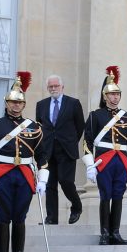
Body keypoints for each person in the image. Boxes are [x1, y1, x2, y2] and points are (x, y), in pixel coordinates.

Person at [0, 72, 48, 252]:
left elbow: (42, 155)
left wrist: (43, 179)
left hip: (25, 175)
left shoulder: (34, 127)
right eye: (12, 102)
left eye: (19, 102)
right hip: (2, 174)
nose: (16, 105)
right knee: (3, 217)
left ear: (24, 105)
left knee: (20, 217)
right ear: (6, 103)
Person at [83, 67, 127, 245]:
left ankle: (115, 232)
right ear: (105, 96)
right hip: (103, 160)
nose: (115, 97)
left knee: (118, 196)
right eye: (111, 94)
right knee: (105, 196)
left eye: (117, 94)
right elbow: (87, 142)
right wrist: (90, 165)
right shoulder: (95, 115)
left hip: (121, 160)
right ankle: (104, 232)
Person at [36, 75, 84, 225]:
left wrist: (70, 141)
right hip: (47, 150)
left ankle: (76, 206)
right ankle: (51, 218)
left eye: (56, 86)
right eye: (50, 86)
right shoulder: (41, 105)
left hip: (66, 150)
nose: (53, 88)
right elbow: (39, 127)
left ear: (62, 87)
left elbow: (80, 125)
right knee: (50, 185)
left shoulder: (73, 103)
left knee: (66, 181)